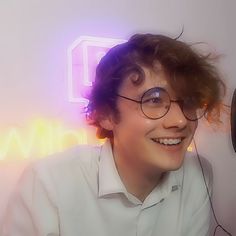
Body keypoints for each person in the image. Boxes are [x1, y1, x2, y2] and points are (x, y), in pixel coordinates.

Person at [1, 33, 225, 236]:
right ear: (106, 114)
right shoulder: (48, 184)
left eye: (189, 101)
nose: (180, 120)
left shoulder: (198, 175)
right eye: (154, 100)